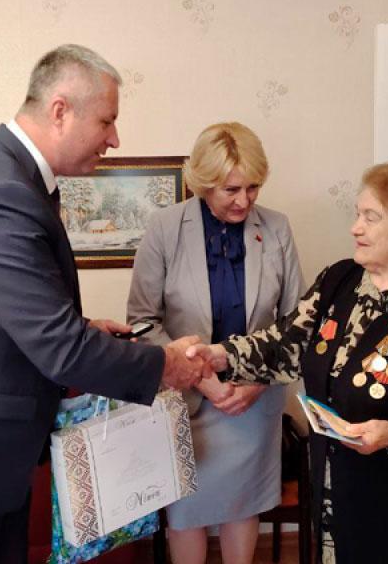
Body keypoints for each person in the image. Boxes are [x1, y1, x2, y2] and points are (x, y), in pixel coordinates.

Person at [0, 44, 209, 564]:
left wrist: (85, 326)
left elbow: (8, 309)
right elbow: (59, 348)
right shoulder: (1, 191)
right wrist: (165, 365)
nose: (115, 139)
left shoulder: (9, 174)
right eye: (107, 121)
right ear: (60, 110)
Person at [188, 161, 388, 564]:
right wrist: (219, 355)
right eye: (357, 214)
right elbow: (287, 344)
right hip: (341, 496)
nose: (355, 228)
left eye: (371, 217)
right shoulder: (339, 281)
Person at [127, 122, 305, 564]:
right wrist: (202, 380)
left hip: (252, 403)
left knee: (242, 507)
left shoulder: (277, 228)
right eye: (231, 190)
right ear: (203, 184)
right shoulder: (165, 227)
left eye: (253, 187)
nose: (244, 200)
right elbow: (142, 322)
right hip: (185, 399)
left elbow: (297, 323)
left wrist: (257, 384)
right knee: (186, 513)